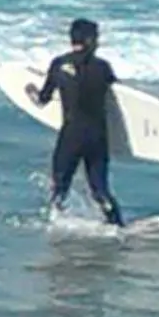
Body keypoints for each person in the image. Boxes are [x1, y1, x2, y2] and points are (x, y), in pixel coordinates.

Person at [31, 17, 125, 226]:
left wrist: (31, 92)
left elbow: (43, 99)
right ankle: (118, 227)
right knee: (100, 189)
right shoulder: (103, 68)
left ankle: (56, 224)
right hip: (98, 137)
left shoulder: (59, 64)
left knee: (60, 186)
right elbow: (121, 100)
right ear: (90, 40)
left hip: (71, 135)